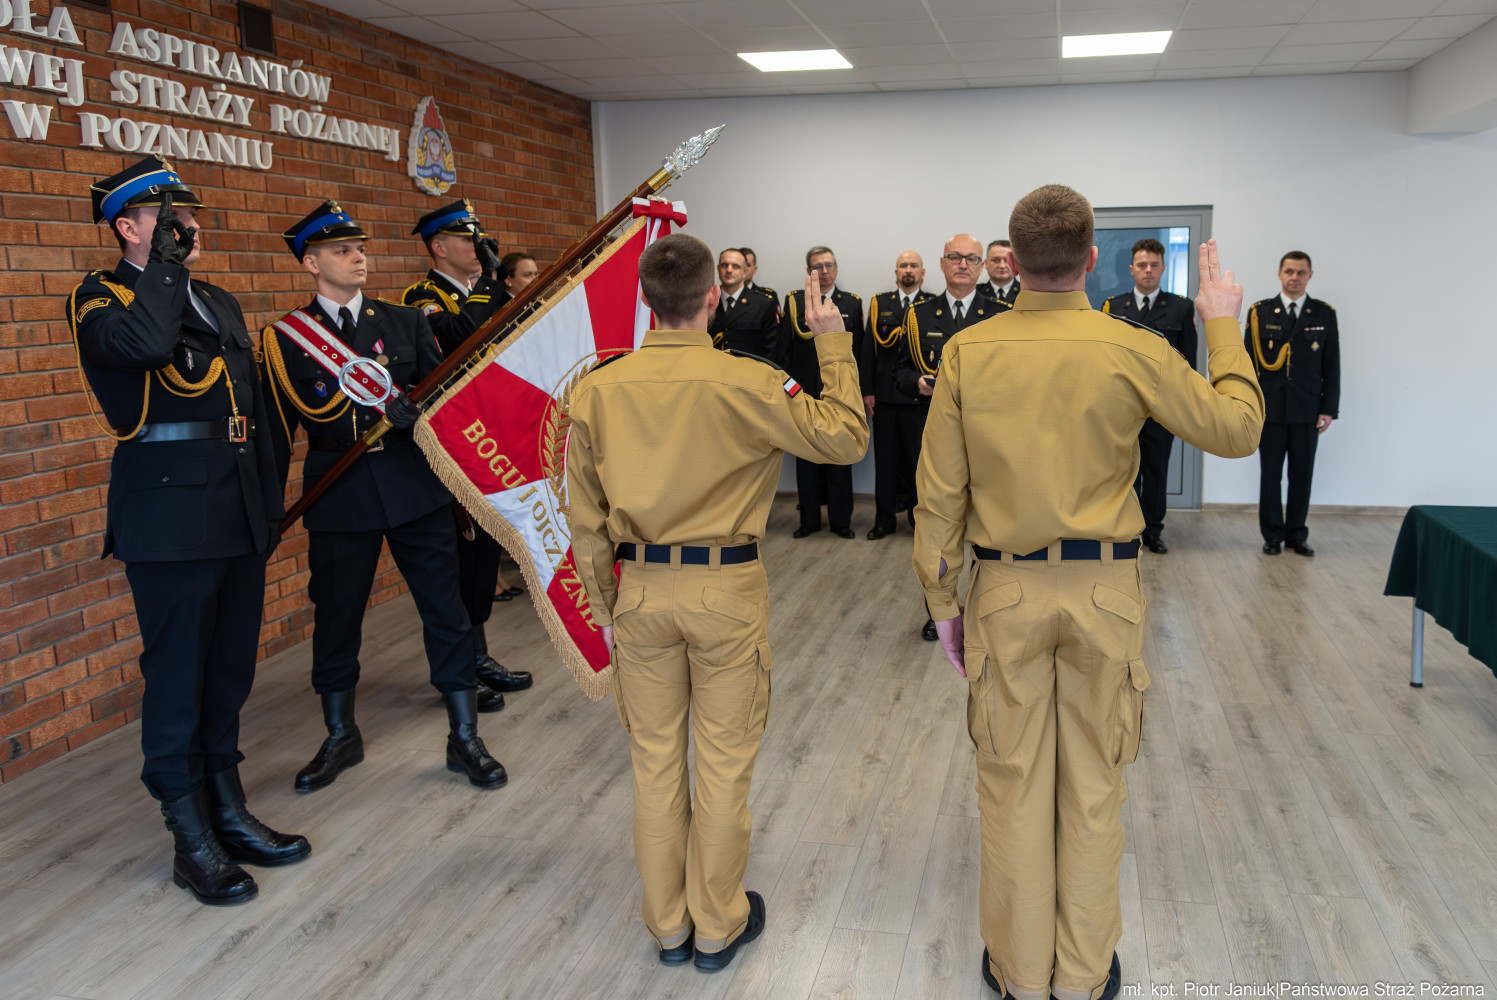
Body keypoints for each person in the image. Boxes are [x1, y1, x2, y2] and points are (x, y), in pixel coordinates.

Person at [914, 184, 1264, 1000]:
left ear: (1011, 260)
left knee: (1010, 785)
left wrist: (942, 603)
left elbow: (938, 494)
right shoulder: (1132, 346)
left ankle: (1019, 971)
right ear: (1092, 258)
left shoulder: (966, 351)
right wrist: (1221, 322)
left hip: (1003, 591)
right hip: (1105, 593)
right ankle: (1079, 976)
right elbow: (1237, 427)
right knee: (1095, 785)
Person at [566, 234, 867, 973]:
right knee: (724, 764)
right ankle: (716, 924)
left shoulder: (597, 390)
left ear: (646, 302)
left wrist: (606, 606)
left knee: (654, 762)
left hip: (639, 590)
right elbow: (846, 440)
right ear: (711, 297)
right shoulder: (752, 381)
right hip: (725, 590)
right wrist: (831, 343)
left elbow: (585, 519)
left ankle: (668, 925)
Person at [67, 155, 309, 905]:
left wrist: (269, 505)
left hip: (236, 507)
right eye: (170, 217)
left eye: (190, 216)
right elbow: (142, 348)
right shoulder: (99, 298)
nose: (189, 227)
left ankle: (227, 809)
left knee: (229, 669)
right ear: (127, 227)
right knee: (178, 675)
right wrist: (164, 268)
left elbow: (253, 408)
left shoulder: (218, 300)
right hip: (169, 516)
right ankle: (189, 837)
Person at [261, 200, 507, 793]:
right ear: (311, 262)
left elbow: (444, 400)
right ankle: (340, 734)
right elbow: (274, 435)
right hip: (338, 492)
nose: (358, 258)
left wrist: (416, 413)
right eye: (342, 250)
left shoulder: (403, 322)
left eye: (360, 249)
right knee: (336, 615)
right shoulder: (285, 339)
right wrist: (266, 511)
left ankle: (465, 737)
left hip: (411, 485)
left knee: (444, 610)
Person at [401, 201, 532, 696]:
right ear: (438, 247)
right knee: (457, 555)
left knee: (482, 554)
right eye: (466, 239)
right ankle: (461, 665)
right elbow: (457, 338)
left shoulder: (485, 294)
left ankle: (477, 655)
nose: (477, 247)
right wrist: (491, 284)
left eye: (479, 239)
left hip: (488, 433)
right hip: (453, 438)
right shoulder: (423, 296)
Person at [892, 234, 1008, 640]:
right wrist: (918, 384)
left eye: (971, 258)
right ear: (942, 264)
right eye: (955, 257)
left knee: (989, 524)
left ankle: (985, 608)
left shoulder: (1002, 314)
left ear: (981, 266)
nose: (963, 264)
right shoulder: (918, 315)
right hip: (937, 434)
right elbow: (899, 371)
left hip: (989, 437)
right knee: (938, 531)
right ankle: (940, 611)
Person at [1101, 238, 1200, 554]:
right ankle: (1126, 529)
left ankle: (1153, 529)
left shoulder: (1181, 308)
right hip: (1124, 407)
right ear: (1132, 269)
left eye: (1154, 265)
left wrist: (1185, 404)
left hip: (1161, 407)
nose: (1148, 270)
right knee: (1123, 471)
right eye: (1142, 265)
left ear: (1163, 268)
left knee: (1156, 470)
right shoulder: (1113, 307)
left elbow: (1188, 362)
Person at [1245, 251, 1340, 556]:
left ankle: (1297, 534)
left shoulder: (1323, 313)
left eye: (1301, 272)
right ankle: (1273, 535)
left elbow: (1331, 364)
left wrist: (1328, 408)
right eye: (1289, 271)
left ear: (1310, 275)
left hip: (1307, 410)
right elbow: (1248, 365)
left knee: (1302, 474)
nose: (1294, 277)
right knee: (1271, 475)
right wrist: (1249, 405)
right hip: (1270, 409)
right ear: (1279, 273)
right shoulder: (1260, 312)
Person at [782, 246, 864, 538]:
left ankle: (841, 522)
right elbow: (785, 350)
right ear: (809, 272)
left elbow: (859, 350)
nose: (825, 271)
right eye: (818, 266)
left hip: (839, 389)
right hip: (803, 391)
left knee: (840, 454)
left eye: (829, 265)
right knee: (806, 457)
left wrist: (861, 391)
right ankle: (809, 520)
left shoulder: (852, 303)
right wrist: (785, 389)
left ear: (837, 268)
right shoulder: (794, 301)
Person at [862, 251, 935, 539]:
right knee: (886, 462)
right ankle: (884, 520)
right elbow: (869, 349)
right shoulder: (880, 303)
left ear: (922, 272)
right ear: (896, 272)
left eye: (913, 265)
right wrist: (867, 390)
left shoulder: (932, 305)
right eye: (903, 265)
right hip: (885, 397)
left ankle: (919, 521)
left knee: (919, 463)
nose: (908, 270)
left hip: (919, 397)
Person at [707, 248, 779, 360]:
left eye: (736, 266)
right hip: (713, 367)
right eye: (724, 265)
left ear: (745, 272)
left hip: (751, 369)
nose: (729, 270)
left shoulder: (763, 304)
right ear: (718, 268)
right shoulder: (706, 301)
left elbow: (772, 350)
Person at [976, 239, 1020, 305]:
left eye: (1007, 260)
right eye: (995, 260)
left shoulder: (1026, 293)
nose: (1002, 266)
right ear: (986, 263)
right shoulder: (975, 293)